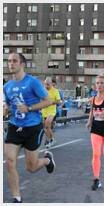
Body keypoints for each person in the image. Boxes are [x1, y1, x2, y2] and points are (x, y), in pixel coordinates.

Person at [3, 53, 56, 203]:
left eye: (14, 61)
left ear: (22, 64)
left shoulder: (33, 82)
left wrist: (29, 108)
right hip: (14, 126)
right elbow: (8, 106)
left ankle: (46, 160)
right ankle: (16, 197)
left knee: (31, 168)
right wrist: (5, 110)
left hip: (33, 127)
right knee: (10, 160)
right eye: (9, 61)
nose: (11, 64)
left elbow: (48, 101)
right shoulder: (6, 86)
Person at [41, 77, 61, 148]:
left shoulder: (55, 91)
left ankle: (49, 140)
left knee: (47, 123)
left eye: (48, 85)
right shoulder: (42, 90)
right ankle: (51, 139)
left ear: (51, 84)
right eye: (45, 84)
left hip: (52, 111)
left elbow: (59, 101)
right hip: (44, 111)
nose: (47, 86)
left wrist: (52, 102)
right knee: (46, 127)